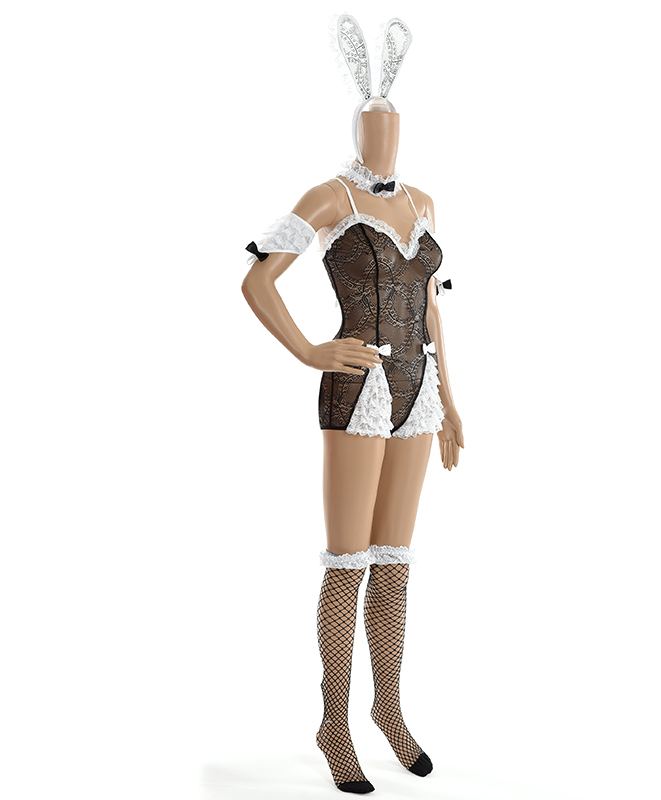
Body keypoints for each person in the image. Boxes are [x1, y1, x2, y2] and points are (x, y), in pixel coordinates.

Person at [241, 16, 464, 794]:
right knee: (349, 562)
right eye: (374, 126)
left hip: (419, 393)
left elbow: (430, 304)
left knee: (395, 564)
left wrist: (453, 398)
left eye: (394, 126)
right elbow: (257, 279)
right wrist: (308, 350)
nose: (385, 139)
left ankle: (388, 710)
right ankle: (333, 722)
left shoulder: (425, 201)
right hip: (358, 386)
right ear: (356, 129)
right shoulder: (329, 197)